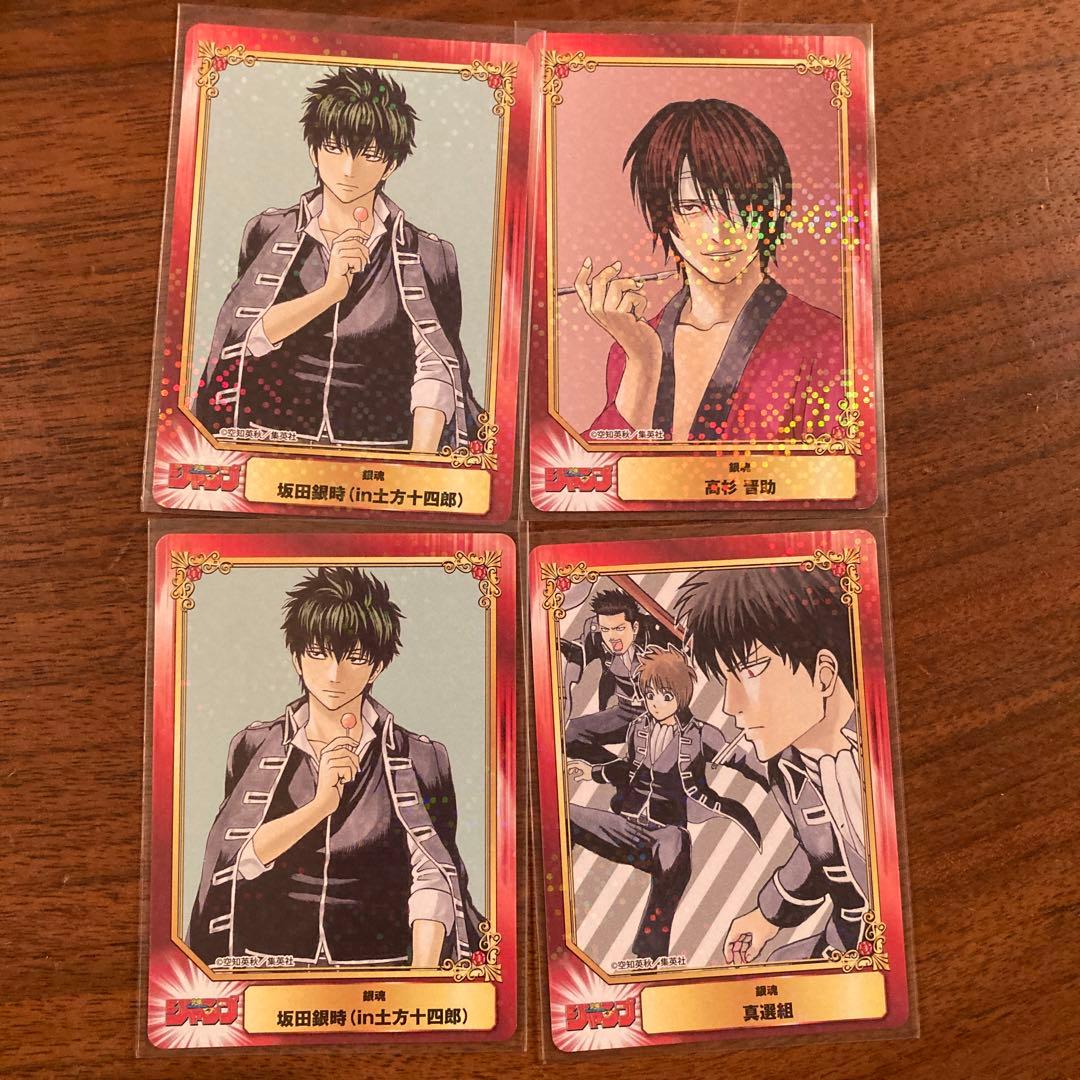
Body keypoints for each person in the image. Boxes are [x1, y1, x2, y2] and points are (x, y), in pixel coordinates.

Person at [188, 567, 482, 969]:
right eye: (318, 653)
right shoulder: (254, 746)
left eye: (355, 658)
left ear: (377, 667)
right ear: (296, 657)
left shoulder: (420, 757)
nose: (334, 674)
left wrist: (421, 978)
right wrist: (319, 806)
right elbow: (235, 863)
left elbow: (433, 878)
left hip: (381, 964)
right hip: (271, 962)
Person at [193, 66, 480, 452]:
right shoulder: (268, 231)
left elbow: (435, 369)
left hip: (383, 447)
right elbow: (245, 341)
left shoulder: (429, 254)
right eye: (334, 148)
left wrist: (418, 464)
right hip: (274, 440)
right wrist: (329, 293)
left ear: (391, 164)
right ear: (314, 150)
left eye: (369, 155)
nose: (349, 169)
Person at [576, 98, 845, 443]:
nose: (719, 233)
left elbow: (840, 471)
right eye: (691, 207)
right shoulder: (632, 346)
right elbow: (596, 472)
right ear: (663, 215)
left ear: (774, 204)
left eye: (739, 204)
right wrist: (642, 361)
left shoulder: (824, 343)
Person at [673, 563, 868, 964]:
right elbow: (821, 852)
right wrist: (768, 915)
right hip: (847, 939)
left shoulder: (880, 748)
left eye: (750, 670)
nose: (731, 706)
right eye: (726, 678)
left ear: (824, 673)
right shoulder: (787, 770)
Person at [565, 644, 763, 960]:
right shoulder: (638, 727)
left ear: (681, 696)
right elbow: (627, 768)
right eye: (650, 696)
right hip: (628, 826)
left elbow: (741, 759)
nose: (656, 704)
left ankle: (650, 953)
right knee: (562, 815)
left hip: (665, 834)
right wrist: (593, 773)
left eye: (665, 696)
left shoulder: (701, 734)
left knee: (676, 851)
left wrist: (773, 777)